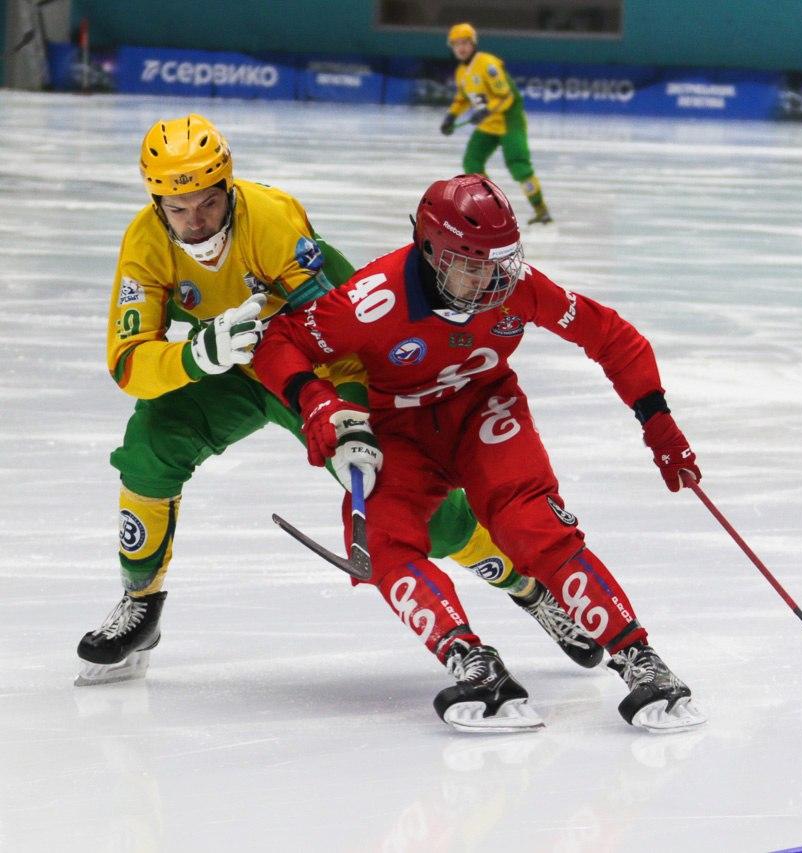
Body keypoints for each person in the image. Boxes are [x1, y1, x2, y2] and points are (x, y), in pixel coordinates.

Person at [77, 114, 600, 687]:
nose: (195, 223)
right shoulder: (144, 245)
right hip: (227, 364)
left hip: (317, 361)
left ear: (228, 188)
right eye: (178, 210)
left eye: (207, 204)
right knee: (149, 449)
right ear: (156, 205)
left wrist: (349, 415)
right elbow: (128, 365)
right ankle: (140, 602)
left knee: (427, 513)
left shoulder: (272, 219)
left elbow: (341, 336)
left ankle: (527, 587)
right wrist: (195, 357)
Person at [253, 174, 706, 733]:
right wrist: (315, 402)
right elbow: (279, 342)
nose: (490, 278)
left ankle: (640, 660)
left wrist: (656, 419)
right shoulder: (372, 301)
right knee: (378, 536)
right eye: (470, 263)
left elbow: (611, 336)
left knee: (533, 526)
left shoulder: (516, 286)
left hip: (485, 411)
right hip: (401, 430)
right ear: (427, 249)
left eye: (499, 260)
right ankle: (470, 659)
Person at [439, 22, 553, 225]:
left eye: (464, 42)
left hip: (509, 120)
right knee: (472, 162)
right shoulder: (461, 72)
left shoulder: (488, 64)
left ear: (473, 43)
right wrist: (451, 117)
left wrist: (485, 110)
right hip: (488, 123)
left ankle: (540, 209)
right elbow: (463, 98)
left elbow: (506, 96)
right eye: (456, 44)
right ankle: (491, 207)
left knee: (518, 165)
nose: (461, 48)